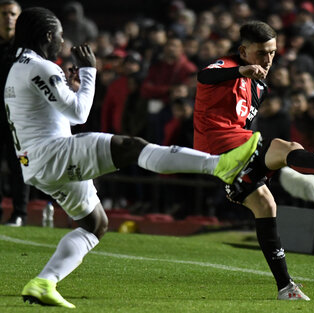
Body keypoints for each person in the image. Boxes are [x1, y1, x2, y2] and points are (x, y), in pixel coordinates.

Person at [5, 7, 261, 308]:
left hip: (36, 164)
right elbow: (80, 113)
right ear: (48, 35)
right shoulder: (42, 68)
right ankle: (221, 166)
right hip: (53, 154)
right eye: (60, 37)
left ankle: (44, 282)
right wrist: (89, 72)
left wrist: (72, 88)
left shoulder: (18, 67)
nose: (62, 43)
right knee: (132, 147)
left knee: (94, 224)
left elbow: (58, 116)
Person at [193, 20, 314, 301]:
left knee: (266, 204)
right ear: (243, 50)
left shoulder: (259, 87)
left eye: (273, 52)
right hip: (217, 148)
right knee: (280, 146)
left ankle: (286, 288)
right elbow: (204, 77)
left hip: (237, 153)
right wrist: (240, 70)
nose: (268, 58)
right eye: (262, 53)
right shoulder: (225, 66)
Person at [0, 0, 30, 226]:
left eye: (12, 13)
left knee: (19, 164)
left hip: (18, 116)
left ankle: (20, 213)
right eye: (3, 13)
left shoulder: (28, 47)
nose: (8, 17)